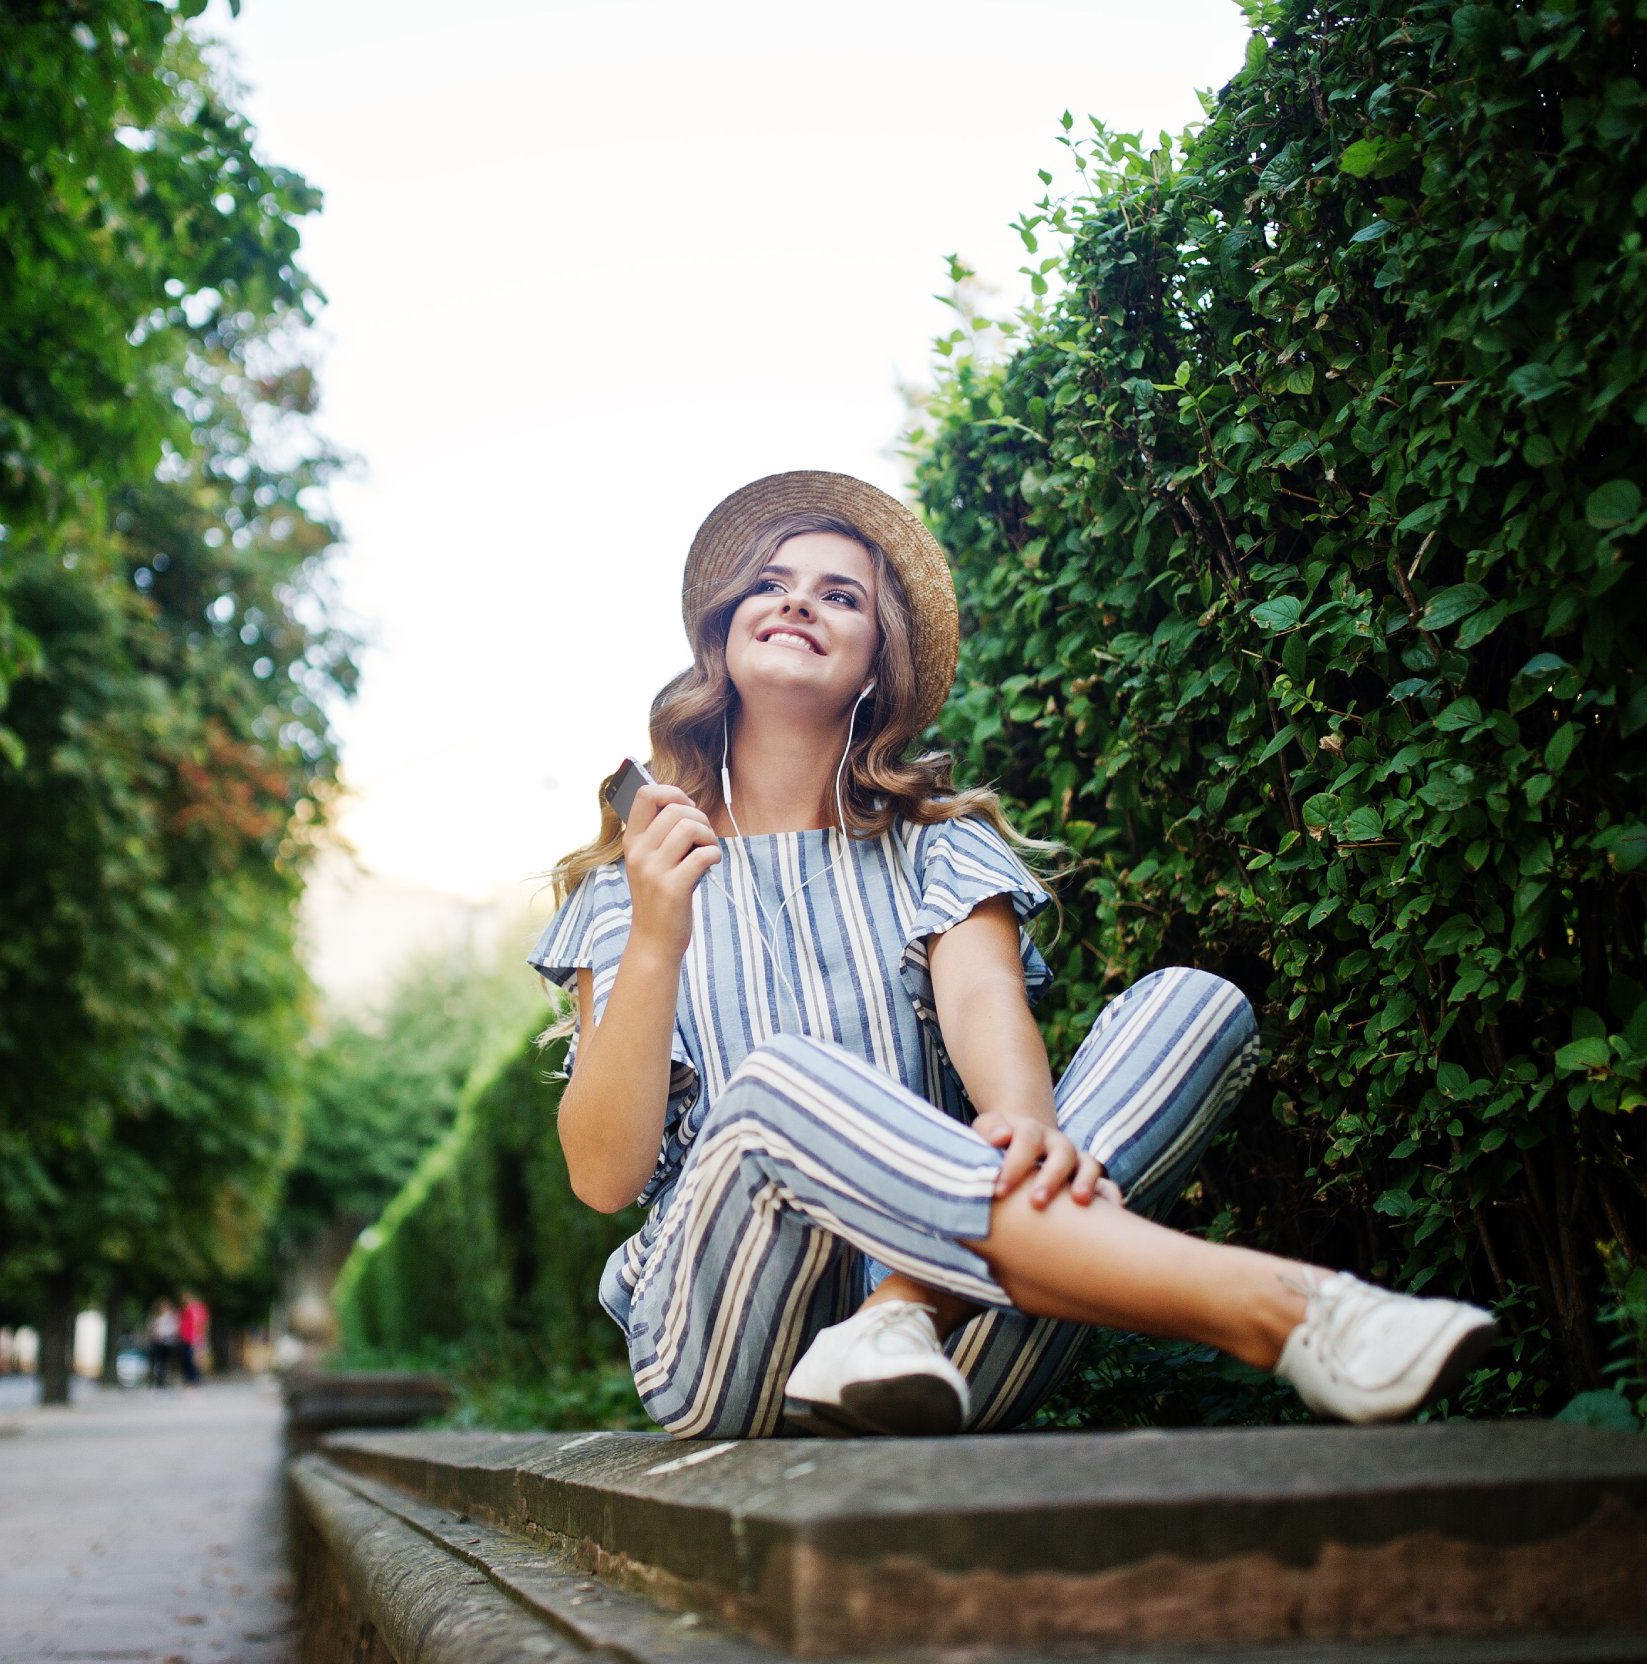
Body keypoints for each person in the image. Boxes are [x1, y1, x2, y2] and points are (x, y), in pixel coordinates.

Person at [532, 471, 1496, 1440]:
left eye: (840, 595)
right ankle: (1289, 1311)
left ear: (876, 666)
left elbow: (984, 1002)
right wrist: (658, 935)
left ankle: (895, 1316)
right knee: (780, 1081)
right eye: (770, 584)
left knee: (1194, 1005)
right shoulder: (633, 881)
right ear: (723, 633)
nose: (797, 603)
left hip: (954, 1356)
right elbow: (604, 1176)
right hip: (725, 1344)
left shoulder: (934, 845)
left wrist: (1029, 1133)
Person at [145, 1299, 180, 1389]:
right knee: (157, 1361)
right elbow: (150, 1328)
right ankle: (158, 1380)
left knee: (167, 1362)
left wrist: (164, 1334)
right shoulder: (155, 1317)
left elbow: (174, 1329)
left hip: (168, 1343)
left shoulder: (171, 1317)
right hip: (157, 1342)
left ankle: (167, 1380)